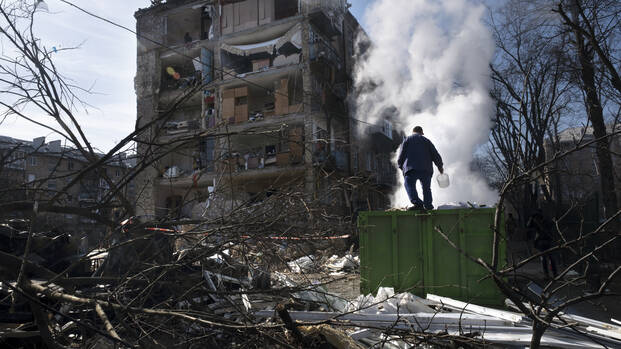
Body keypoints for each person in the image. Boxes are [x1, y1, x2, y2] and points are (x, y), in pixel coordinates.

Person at [397, 126, 443, 210]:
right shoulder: (427, 141)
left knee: (409, 185)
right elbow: (435, 155)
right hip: (426, 170)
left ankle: (418, 204)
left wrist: (401, 166)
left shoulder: (407, 140)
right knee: (426, 188)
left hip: (411, 169)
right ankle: (428, 206)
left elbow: (401, 155)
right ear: (421, 132)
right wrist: (440, 166)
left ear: (413, 132)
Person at [526, 209, 558, 279]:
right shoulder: (534, 222)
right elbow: (528, 225)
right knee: (544, 259)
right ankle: (547, 275)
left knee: (551, 258)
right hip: (540, 242)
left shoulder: (546, 221)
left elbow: (551, 225)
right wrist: (531, 218)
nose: (537, 217)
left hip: (547, 241)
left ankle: (555, 274)